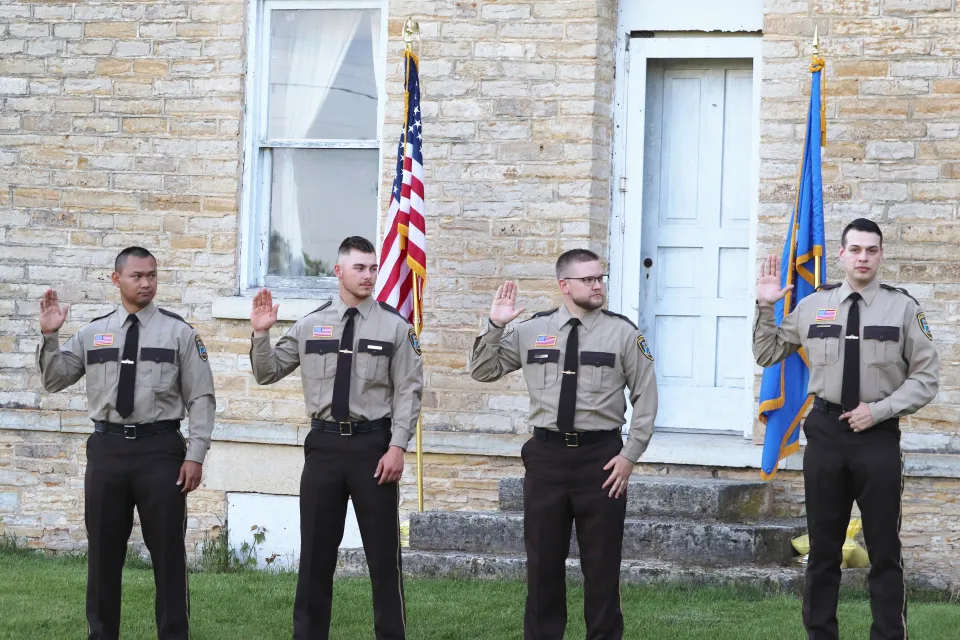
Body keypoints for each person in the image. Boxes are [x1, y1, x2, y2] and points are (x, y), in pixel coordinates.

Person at [753, 218, 939, 640]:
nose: (863, 258)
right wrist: (765, 307)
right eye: (855, 249)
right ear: (841, 254)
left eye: (871, 250)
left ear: (881, 255)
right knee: (822, 550)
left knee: (885, 551)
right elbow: (767, 353)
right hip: (826, 432)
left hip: (877, 437)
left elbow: (926, 379)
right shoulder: (815, 305)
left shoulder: (903, 308)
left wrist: (879, 411)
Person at [469, 248, 658, 640]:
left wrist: (629, 456)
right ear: (564, 285)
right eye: (588, 279)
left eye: (600, 278)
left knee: (602, 567)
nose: (597, 285)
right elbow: (483, 370)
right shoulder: (530, 331)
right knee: (543, 567)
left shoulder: (622, 333)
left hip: (602, 461)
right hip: (547, 459)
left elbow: (647, 399)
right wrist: (494, 325)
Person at [249, 236, 423, 640]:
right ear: (338, 271)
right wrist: (260, 336)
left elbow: (408, 392)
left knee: (383, 559)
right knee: (315, 558)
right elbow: (268, 372)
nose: (368, 275)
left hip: (373, 448)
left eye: (373, 268)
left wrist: (397, 446)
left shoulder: (395, 327)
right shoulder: (310, 325)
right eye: (359, 268)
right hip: (324, 448)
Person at [37, 246, 215, 640]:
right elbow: (54, 381)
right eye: (137, 275)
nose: (147, 282)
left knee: (169, 556)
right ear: (116, 279)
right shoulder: (93, 333)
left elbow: (201, 398)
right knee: (103, 556)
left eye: (152, 274)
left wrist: (196, 454)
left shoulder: (179, 333)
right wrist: (51, 337)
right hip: (108, 452)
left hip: (161, 451)